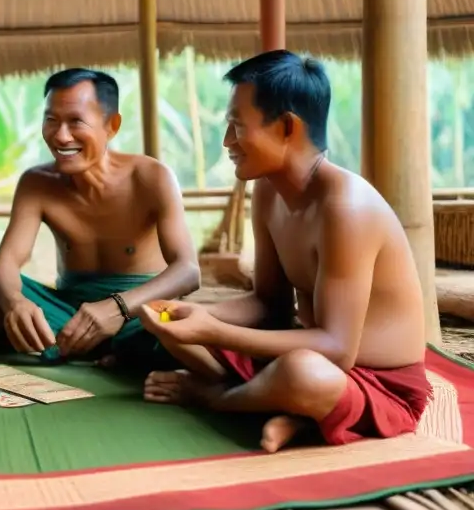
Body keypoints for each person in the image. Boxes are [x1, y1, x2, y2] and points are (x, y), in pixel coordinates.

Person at [139, 50, 431, 453]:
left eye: (237, 127)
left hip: (372, 380)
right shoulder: (267, 192)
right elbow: (269, 304)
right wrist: (187, 314)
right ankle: (288, 410)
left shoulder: (346, 206)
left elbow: (338, 350)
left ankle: (222, 398)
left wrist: (214, 330)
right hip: (302, 345)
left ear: (287, 127)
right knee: (163, 317)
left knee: (302, 374)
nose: (228, 142)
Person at [0, 68, 200, 364]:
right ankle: (103, 350)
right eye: (51, 120)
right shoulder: (36, 183)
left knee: (174, 323)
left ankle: (96, 349)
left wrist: (116, 308)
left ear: (111, 125)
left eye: (75, 121)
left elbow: (188, 271)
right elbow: (7, 263)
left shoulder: (150, 177)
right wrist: (16, 303)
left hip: (140, 310)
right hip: (70, 310)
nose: (61, 136)